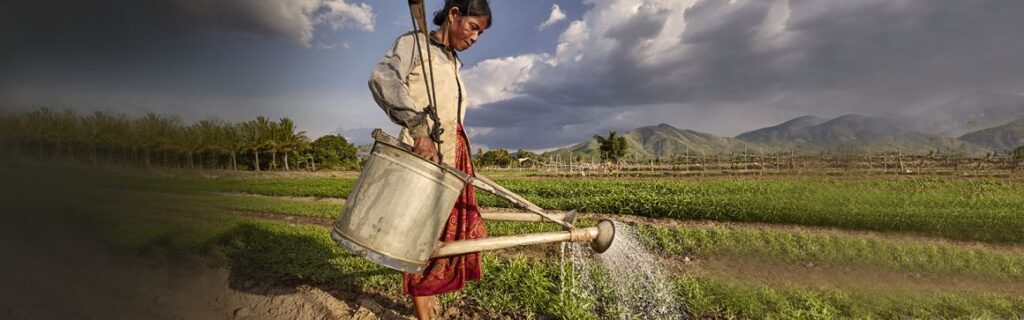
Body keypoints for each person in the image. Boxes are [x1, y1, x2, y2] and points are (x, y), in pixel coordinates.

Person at [367, 0, 492, 319]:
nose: (475, 37)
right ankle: (423, 310)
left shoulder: (453, 62)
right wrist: (418, 128)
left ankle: (429, 296)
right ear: (453, 15)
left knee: (447, 233)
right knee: (422, 234)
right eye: (473, 27)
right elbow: (383, 78)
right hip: (424, 154)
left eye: (481, 32)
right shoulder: (415, 44)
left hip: (454, 152)